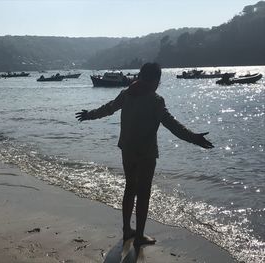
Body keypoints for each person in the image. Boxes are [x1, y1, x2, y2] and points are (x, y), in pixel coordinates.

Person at [76, 62, 213, 249]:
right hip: (146, 154)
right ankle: (139, 236)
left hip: (127, 149)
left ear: (140, 76)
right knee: (144, 194)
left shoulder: (127, 93)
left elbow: (108, 108)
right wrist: (194, 138)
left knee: (129, 188)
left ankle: (126, 230)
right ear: (156, 80)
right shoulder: (155, 100)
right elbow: (172, 125)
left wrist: (89, 114)